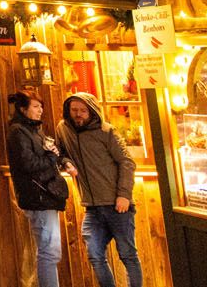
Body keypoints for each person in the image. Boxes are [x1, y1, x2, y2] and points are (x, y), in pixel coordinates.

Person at [56, 92, 141, 287]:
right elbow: (59, 153)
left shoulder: (106, 132)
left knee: (128, 255)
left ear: (92, 111)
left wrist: (124, 195)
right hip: (92, 208)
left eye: (83, 111)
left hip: (116, 205)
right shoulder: (63, 129)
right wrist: (66, 162)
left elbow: (127, 162)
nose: (78, 114)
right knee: (94, 254)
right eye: (74, 110)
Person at [6, 91, 72, 287]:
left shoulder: (35, 130)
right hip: (38, 195)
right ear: (23, 109)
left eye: (40, 106)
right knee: (49, 250)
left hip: (45, 194)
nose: (40, 110)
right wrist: (51, 156)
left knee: (49, 250)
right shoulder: (18, 132)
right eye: (35, 106)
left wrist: (59, 159)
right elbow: (28, 163)